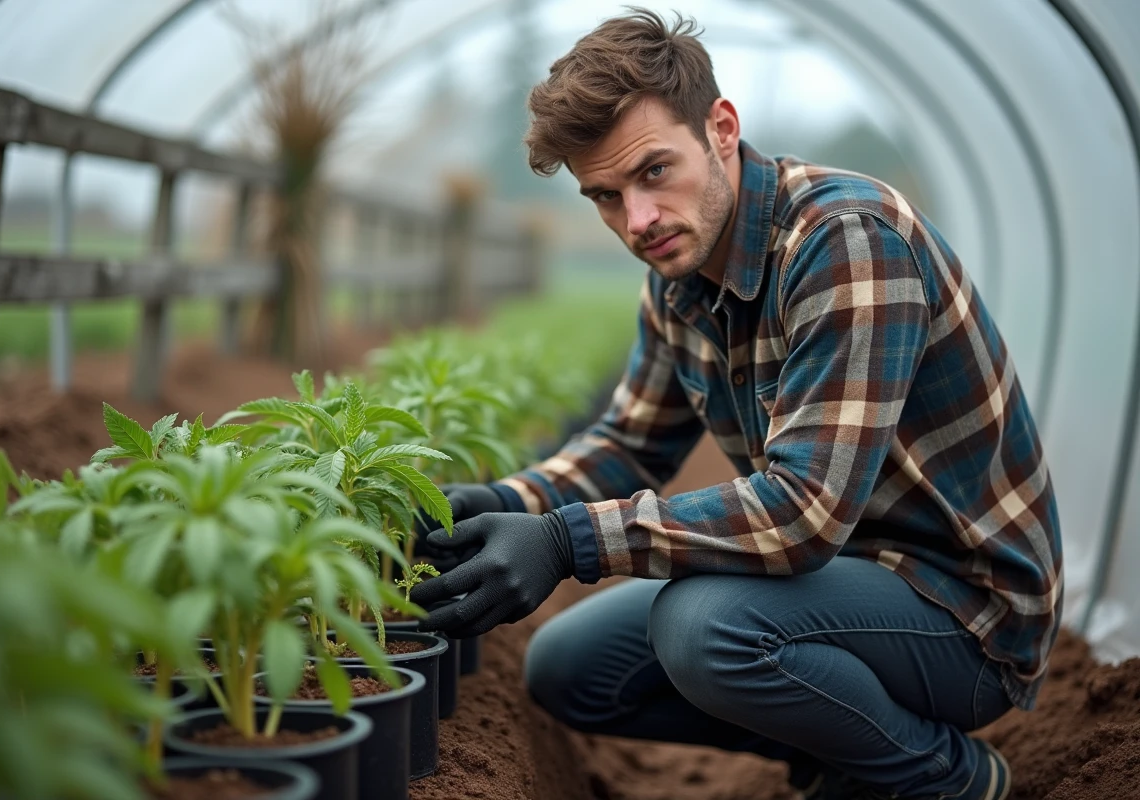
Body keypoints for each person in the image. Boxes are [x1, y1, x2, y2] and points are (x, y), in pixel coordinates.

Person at [410, 9, 1061, 800]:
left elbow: (803, 512)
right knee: (570, 670)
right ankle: (852, 751)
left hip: (963, 614)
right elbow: (632, 442)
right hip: (839, 588)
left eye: (654, 171)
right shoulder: (678, 271)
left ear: (721, 127)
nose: (636, 221)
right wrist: (509, 499)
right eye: (605, 196)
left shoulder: (846, 239)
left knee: (705, 626)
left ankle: (946, 779)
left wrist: (565, 540)